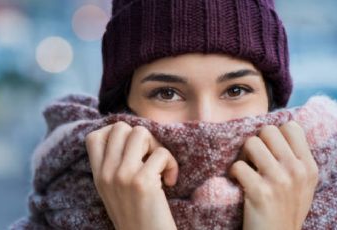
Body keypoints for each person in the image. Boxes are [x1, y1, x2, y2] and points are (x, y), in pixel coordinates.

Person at [84, 0, 319, 229]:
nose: (206, 121)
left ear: (271, 101)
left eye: (235, 90)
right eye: (167, 94)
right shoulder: (56, 202)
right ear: (122, 107)